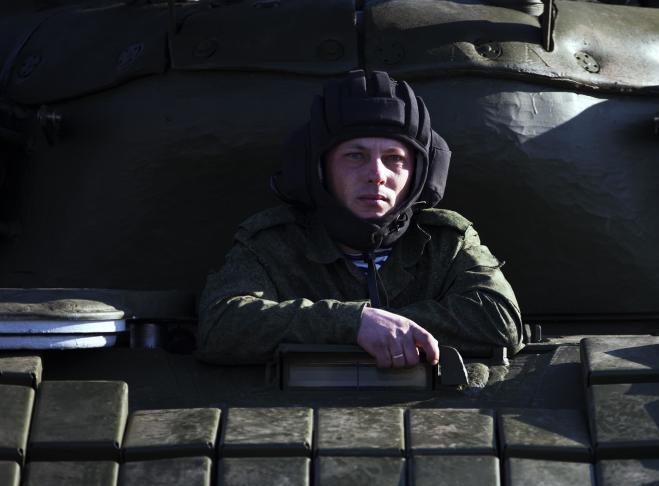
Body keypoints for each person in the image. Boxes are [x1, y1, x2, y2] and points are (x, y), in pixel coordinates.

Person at [196, 70, 523, 367]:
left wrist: (385, 328)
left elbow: (499, 319)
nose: (376, 175)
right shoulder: (274, 242)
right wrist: (354, 323)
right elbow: (222, 323)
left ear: (420, 171)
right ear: (320, 167)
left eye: (395, 158)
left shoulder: (445, 241)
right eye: (355, 156)